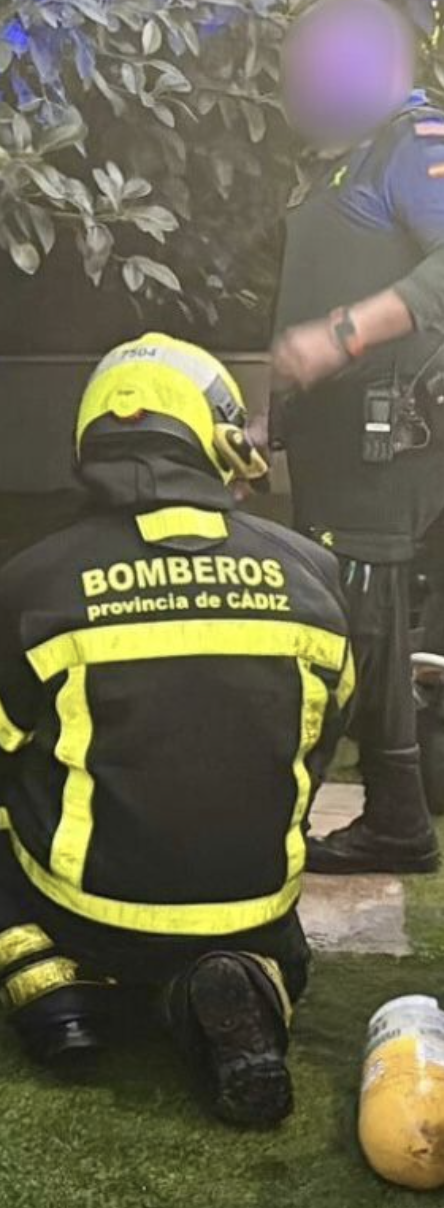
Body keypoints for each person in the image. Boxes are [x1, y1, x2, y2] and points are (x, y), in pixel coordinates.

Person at [0, 335, 356, 1128]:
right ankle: (248, 976)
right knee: (266, 874)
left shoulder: (40, 578)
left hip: (90, 915)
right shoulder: (313, 574)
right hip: (252, 903)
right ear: (217, 437)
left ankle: (52, 992)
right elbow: (320, 743)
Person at [263, 0, 444, 873]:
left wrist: (344, 333)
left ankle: (397, 822)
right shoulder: (343, 161)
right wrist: (269, 423)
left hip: (391, 439)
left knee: (366, 624)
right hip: (337, 441)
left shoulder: (417, 139)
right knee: (354, 620)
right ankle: (379, 811)